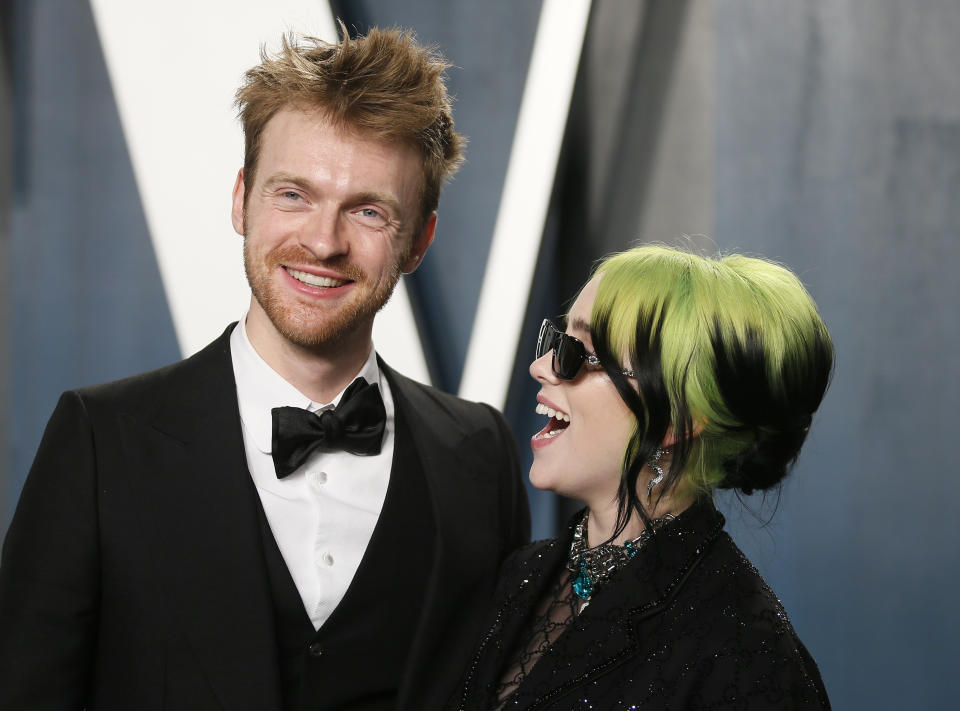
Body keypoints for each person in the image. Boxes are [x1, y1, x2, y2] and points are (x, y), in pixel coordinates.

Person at [0, 26, 529, 710]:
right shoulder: (102, 441)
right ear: (241, 198)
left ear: (420, 240)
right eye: (293, 195)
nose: (322, 241)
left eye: (368, 210)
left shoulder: (480, 456)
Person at [448, 245, 834, 710]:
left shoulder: (747, 654)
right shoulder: (521, 577)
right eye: (555, 341)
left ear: (676, 418)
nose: (541, 367)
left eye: (579, 354)